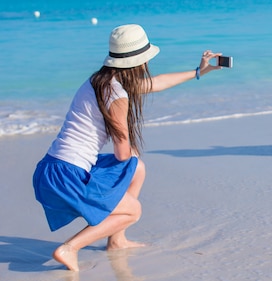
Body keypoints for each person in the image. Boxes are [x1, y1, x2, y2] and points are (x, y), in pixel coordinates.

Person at [32, 24, 224, 271]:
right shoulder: (117, 95)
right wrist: (131, 151)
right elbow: (122, 153)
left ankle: (116, 240)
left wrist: (199, 71)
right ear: (140, 61)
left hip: (52, 169)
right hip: (66, 176)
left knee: (138, 168)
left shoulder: (101, 80)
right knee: (133, 210)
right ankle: (69, 248)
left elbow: (155, 83)